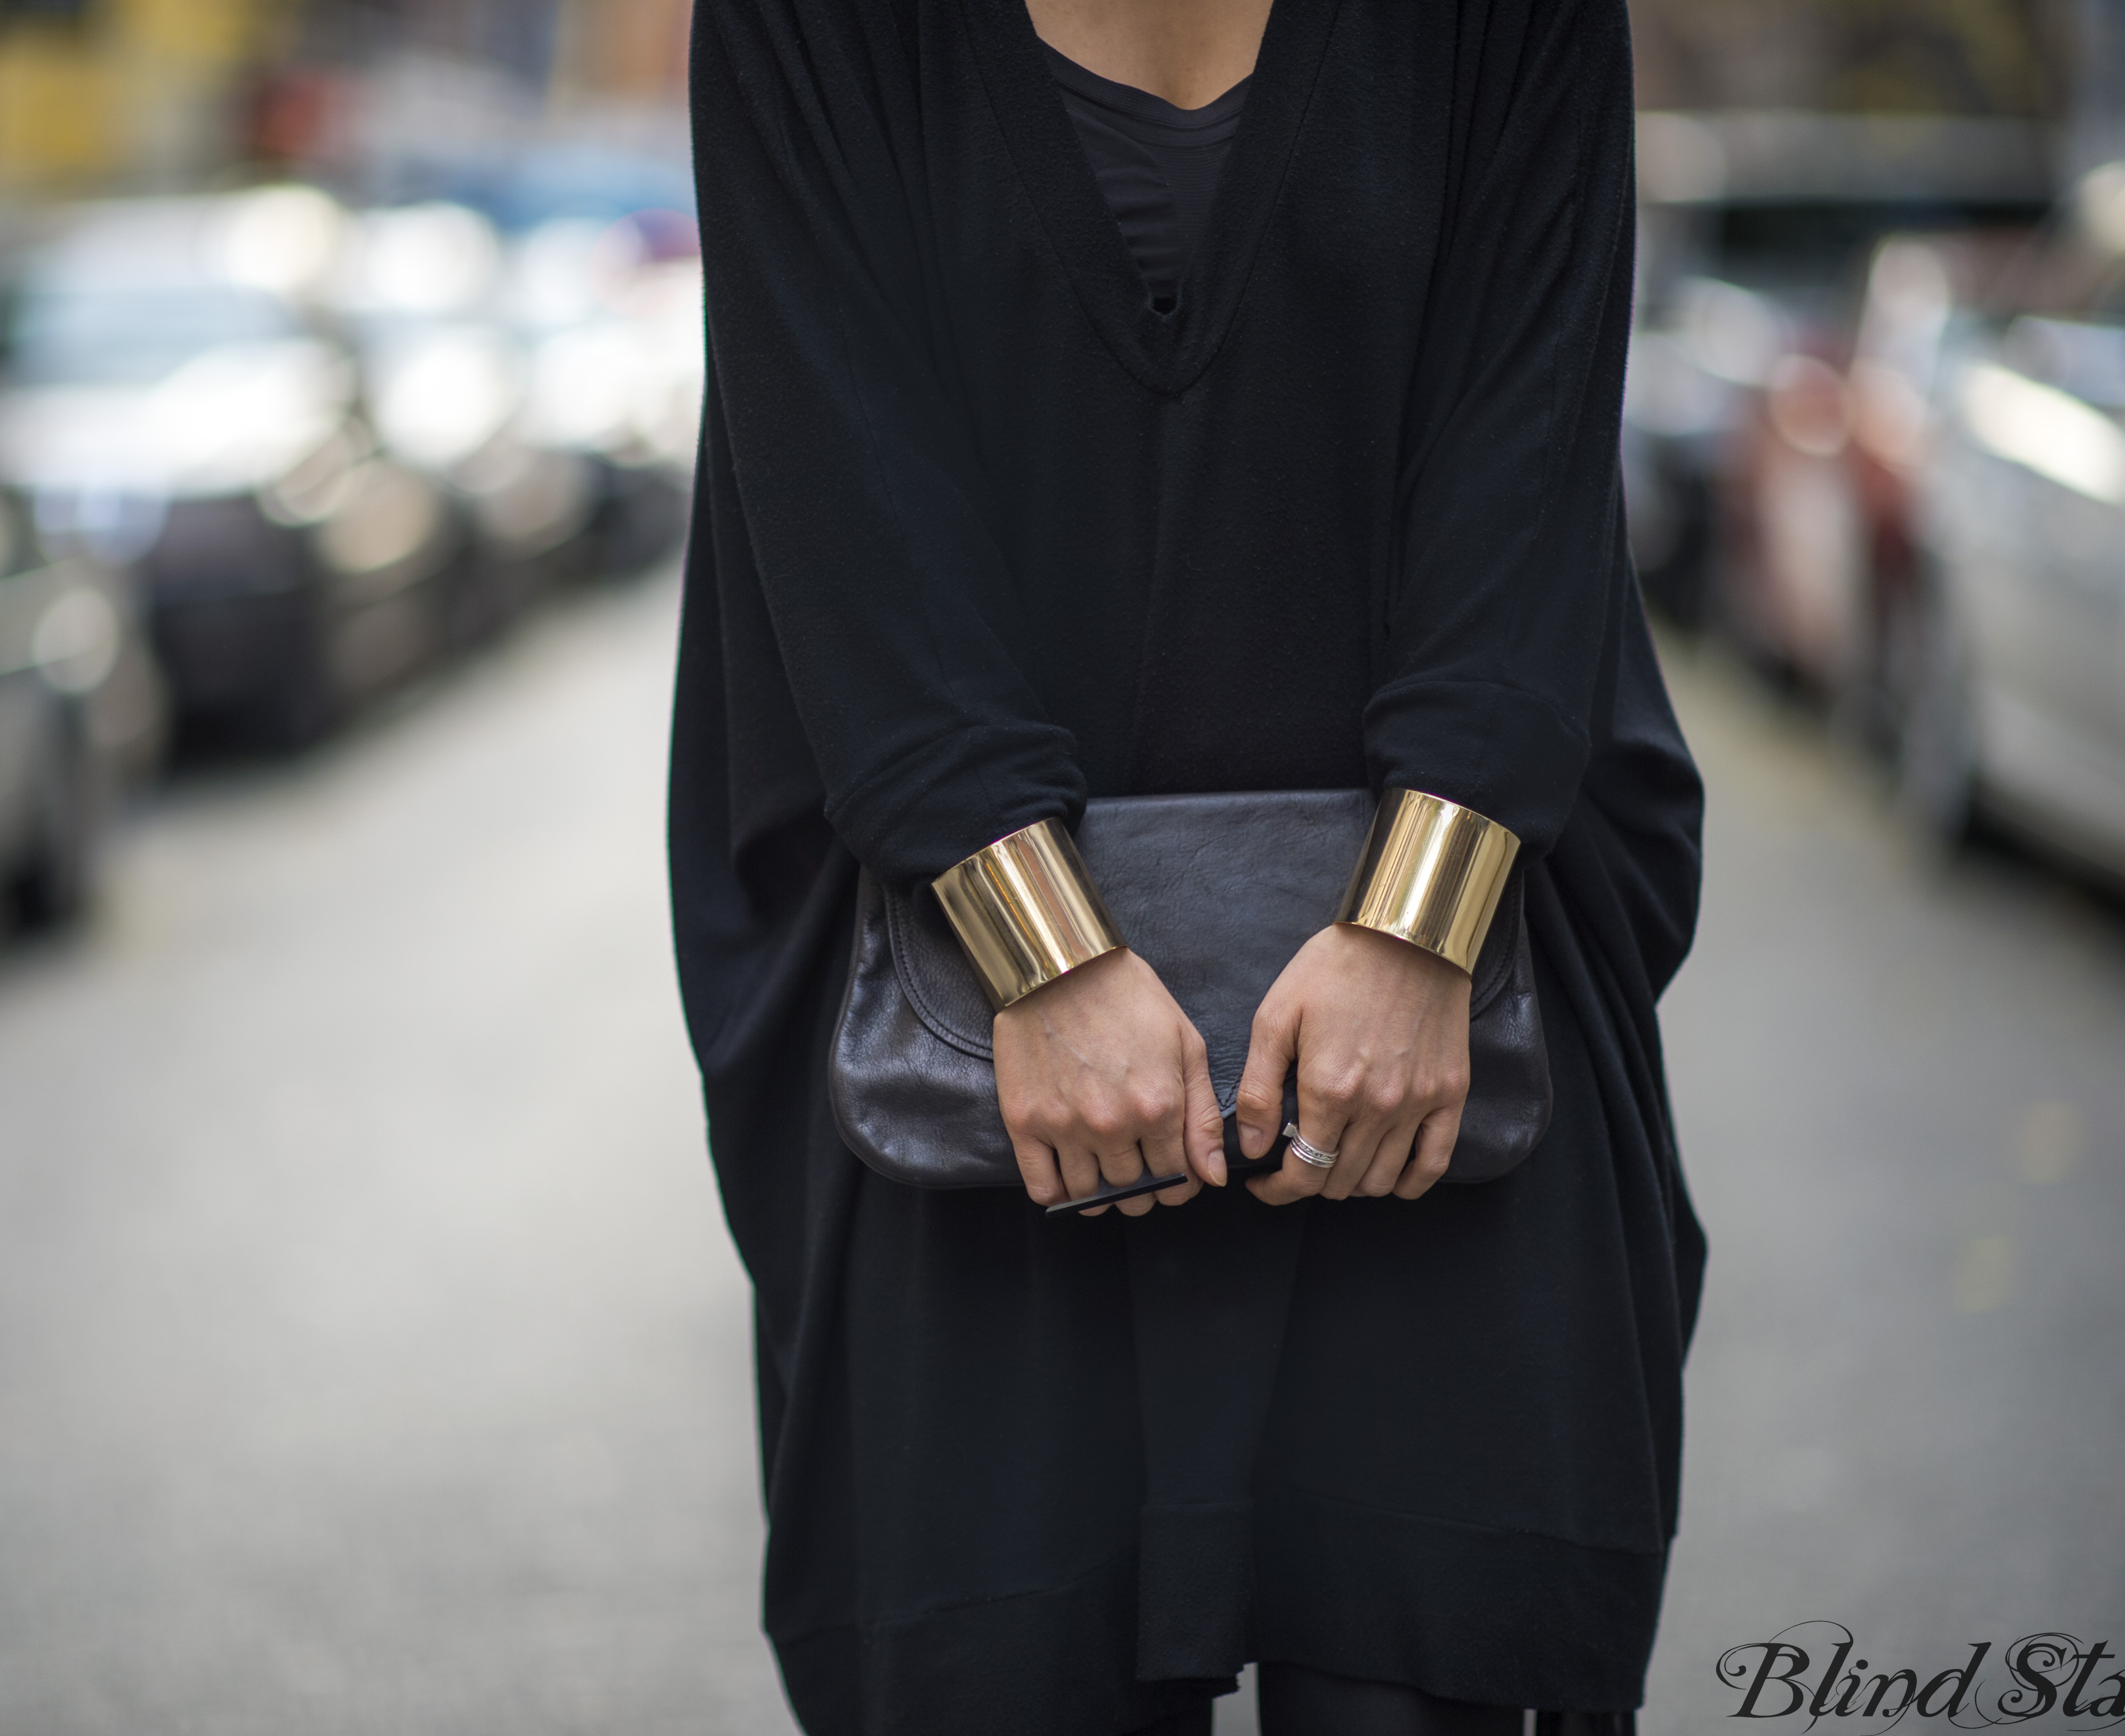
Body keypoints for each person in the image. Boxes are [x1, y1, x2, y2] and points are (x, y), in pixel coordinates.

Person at [667, 0, 1707, 1731]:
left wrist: (1417, 933)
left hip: (1442, 1054)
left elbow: (1528, 440)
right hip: (963, 1046)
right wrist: (1045, 961)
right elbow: (840, 478)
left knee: (1425, 1659)